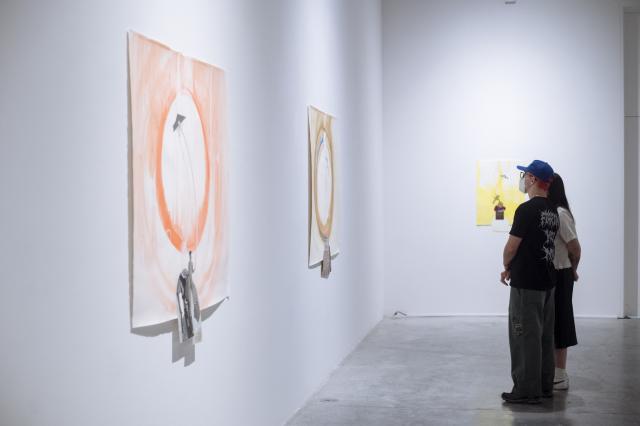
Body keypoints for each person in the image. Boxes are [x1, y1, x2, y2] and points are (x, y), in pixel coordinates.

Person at [499, 160, 559, 404]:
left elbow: (512, 246)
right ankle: (544, 386)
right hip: (547, 282)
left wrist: (506, 265)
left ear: (533, 179)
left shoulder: (526, 210)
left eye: (524, 175)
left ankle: (526, 389)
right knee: (544, 336)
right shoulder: (552, 210)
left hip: (526, 284)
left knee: (523, 335)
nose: (522, 179)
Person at [548, 173, 581, 390]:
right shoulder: (549, 213)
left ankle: (560, 374)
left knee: (561, 322)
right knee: (551, 323)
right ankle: (551, 370)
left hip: (562, 274)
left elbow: (575, 248)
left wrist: (573, 271)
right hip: (551, 274)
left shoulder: (560, 214)